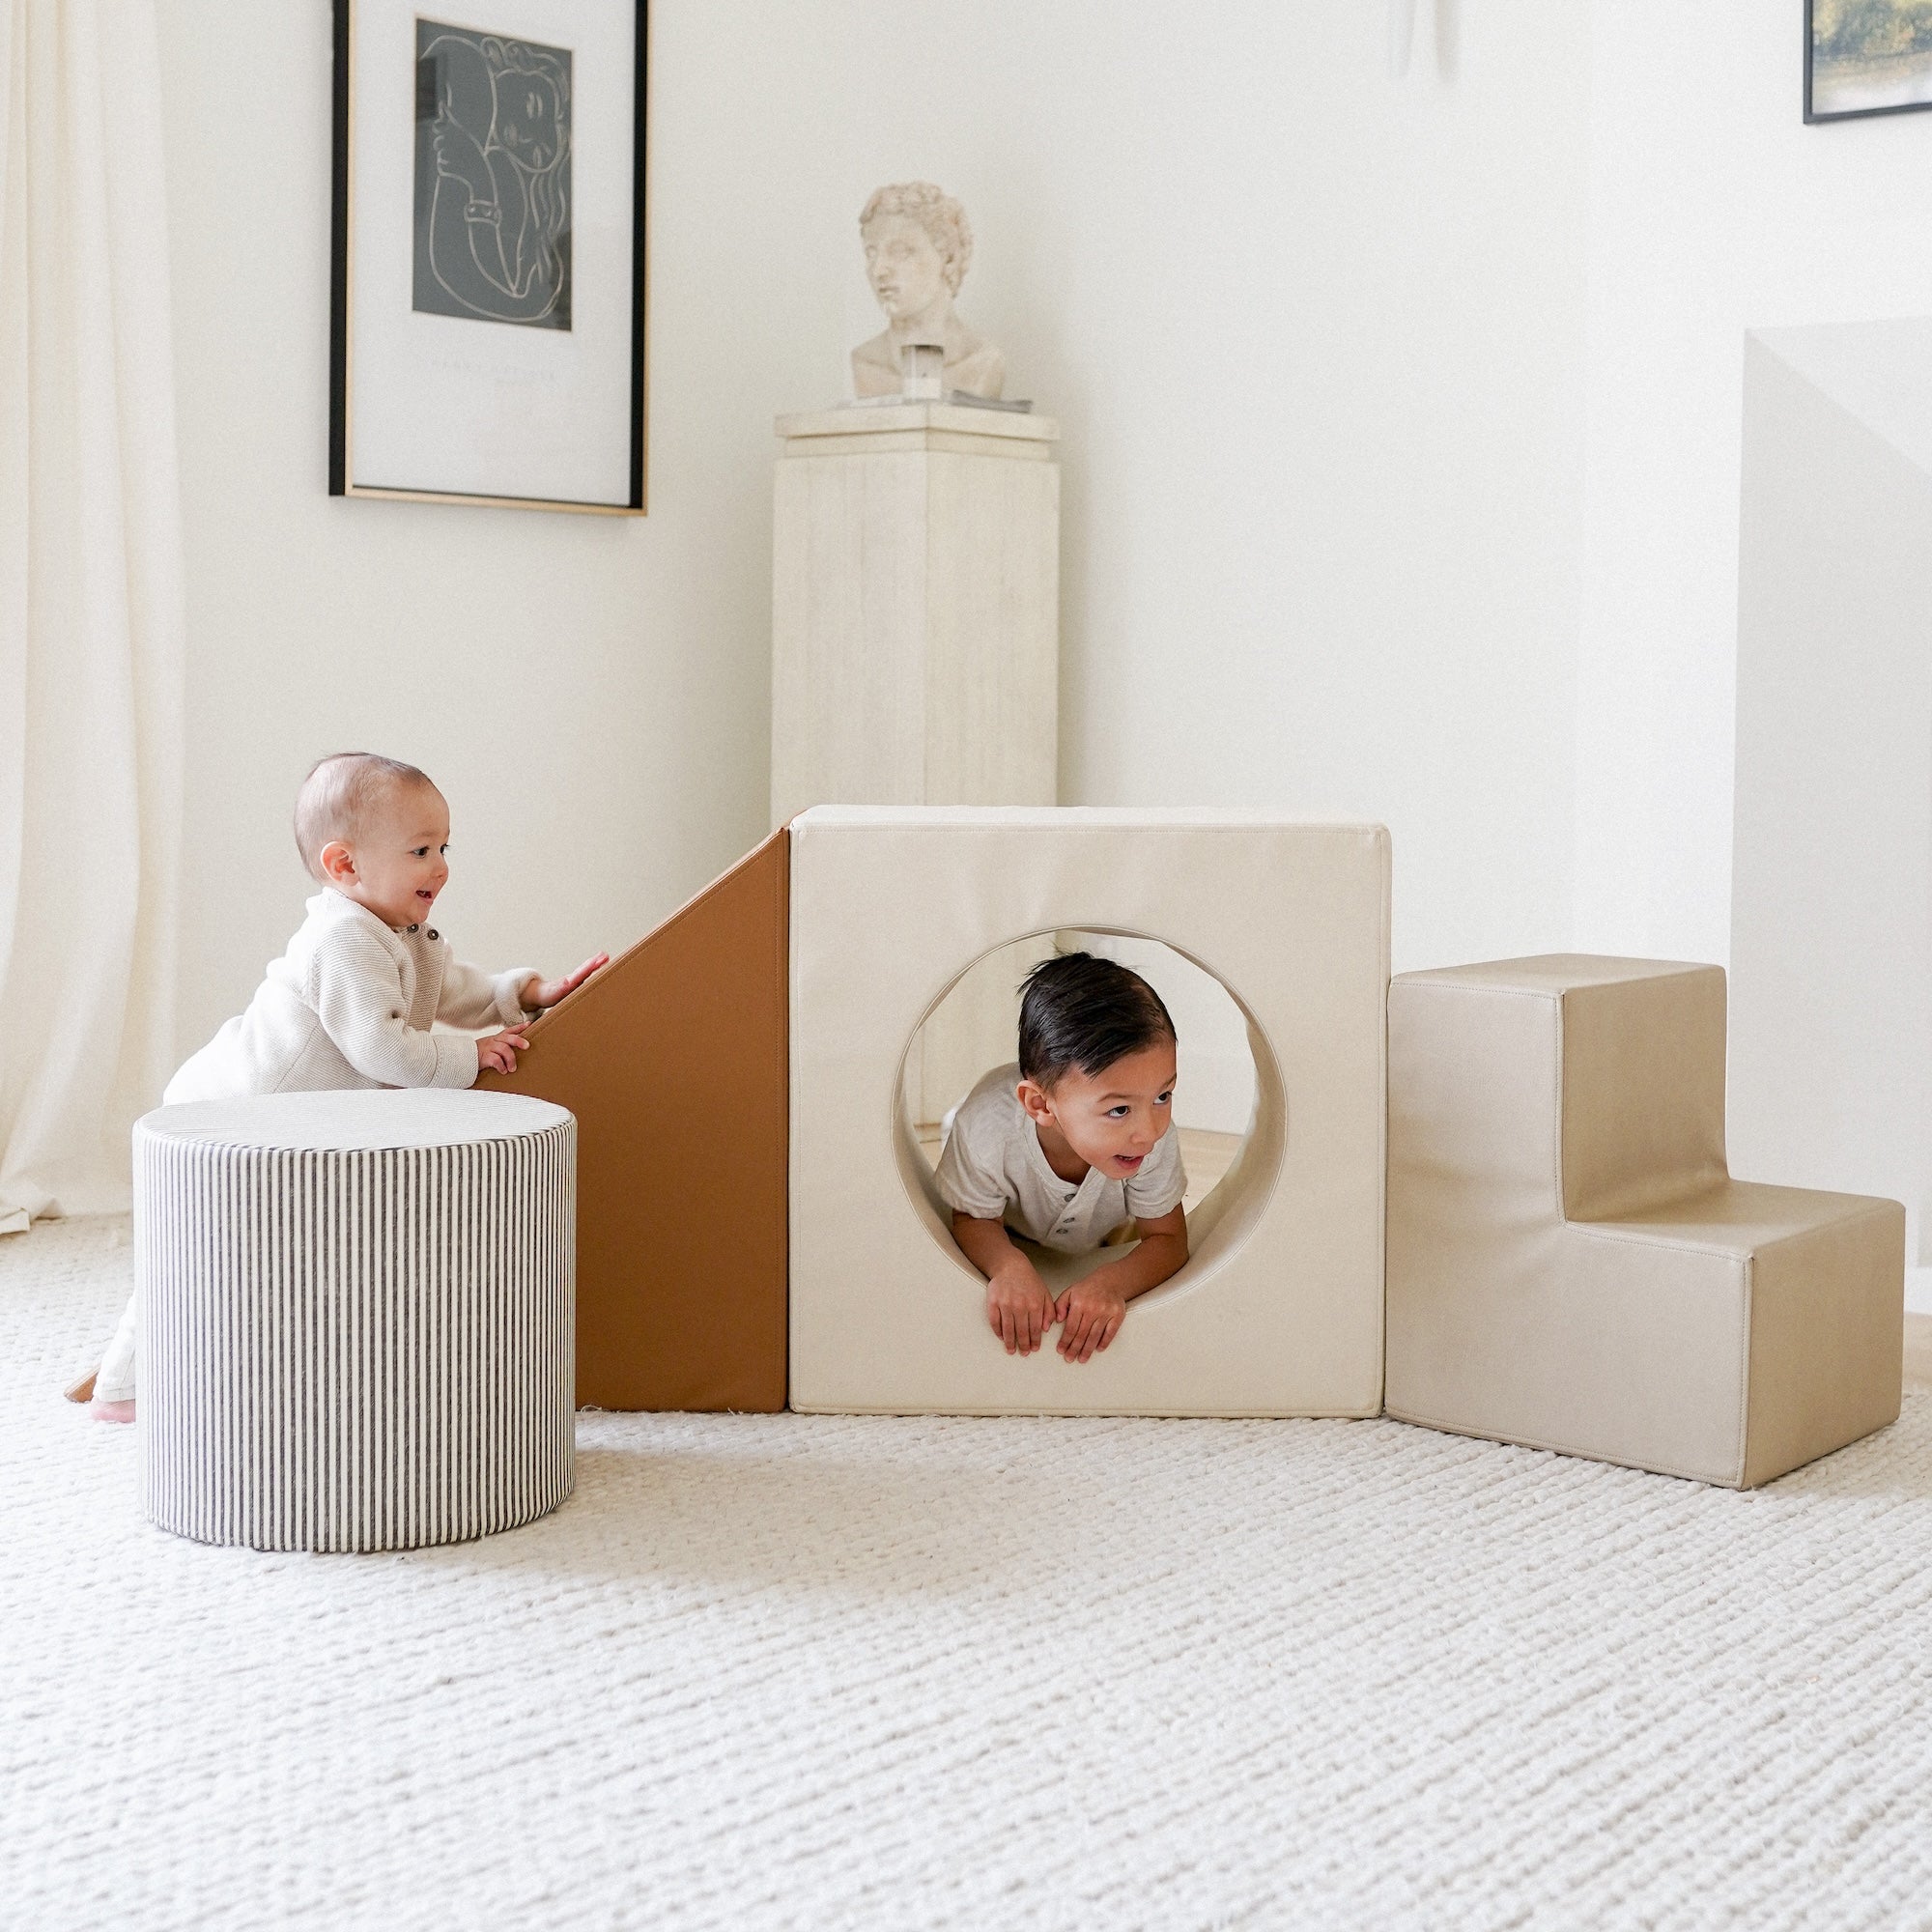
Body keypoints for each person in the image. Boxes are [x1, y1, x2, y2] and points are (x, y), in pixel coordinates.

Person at [82, 752, 607, 1421]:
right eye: (420, 849)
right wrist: (471, 1055)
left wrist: (525, 992)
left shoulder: (399, 932)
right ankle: (122, 1392)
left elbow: (449, 987)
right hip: (231, 1111)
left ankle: (235, 1365)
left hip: (287, 1125)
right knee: (187, 1255)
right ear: (345, 866)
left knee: (265, 1258)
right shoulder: (343, 940)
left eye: (444, 846)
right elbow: (384, 1049)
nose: (440, 866)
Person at [936, 952, 1188, 1364]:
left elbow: (1170, 1239)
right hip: (1010, 1215)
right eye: (1119, 1109)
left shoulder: (1150, 1138)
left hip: (1102, 1226)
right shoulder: (987, 1132)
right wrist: (1008, 1266)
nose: (1148, 1131)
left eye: (1163, 1095)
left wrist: (1113, 1281)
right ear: (1040, 1104)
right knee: (970, 1193)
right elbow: (972, 1219)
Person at [850, 182, 1006, 400]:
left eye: (900, 251)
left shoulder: (981, 361)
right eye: (871, 254)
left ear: (949, 257)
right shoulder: (866, 362)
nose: (878, 270)